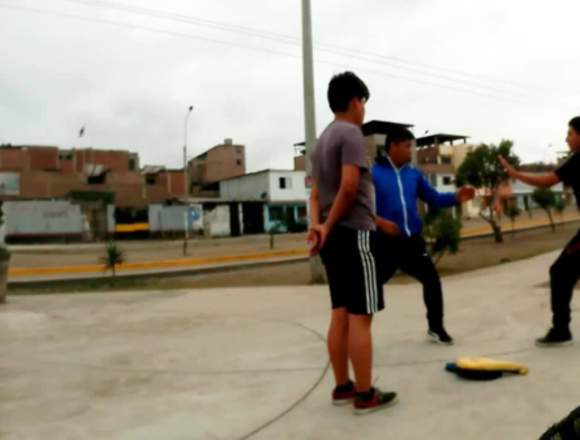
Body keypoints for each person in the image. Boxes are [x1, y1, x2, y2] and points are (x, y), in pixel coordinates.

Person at [309, 71, 398, 414]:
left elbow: (316, 194)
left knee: (340, 314)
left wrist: (318, 227)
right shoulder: (351, 134)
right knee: (362, 317)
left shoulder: (321, 142)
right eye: (363, 103)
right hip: (354, 233)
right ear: (356, 101)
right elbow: (349, 187)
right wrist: (329, 226)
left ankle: (342, 387)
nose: (363, 110)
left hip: (333, 238)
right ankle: (365, 394)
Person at [372, 127, 475, 345]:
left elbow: (434, 198)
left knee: (432, 281)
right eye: (408, 146)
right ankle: (355, 331)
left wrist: (457, 197)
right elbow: (359, 206)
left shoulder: (414, 174)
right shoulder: (373, 173)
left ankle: (436, 328)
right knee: (368, 288)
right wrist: (378, 223)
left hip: (412, 242)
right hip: (384, 243)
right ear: (393, 146)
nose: (411, 151)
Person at [500, 116, 580, 346]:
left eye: (571, 133)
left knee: (559, 272)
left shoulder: (577, 161)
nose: (567, 138)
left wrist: (515, 174)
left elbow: (546, 181)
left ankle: (561, 329)